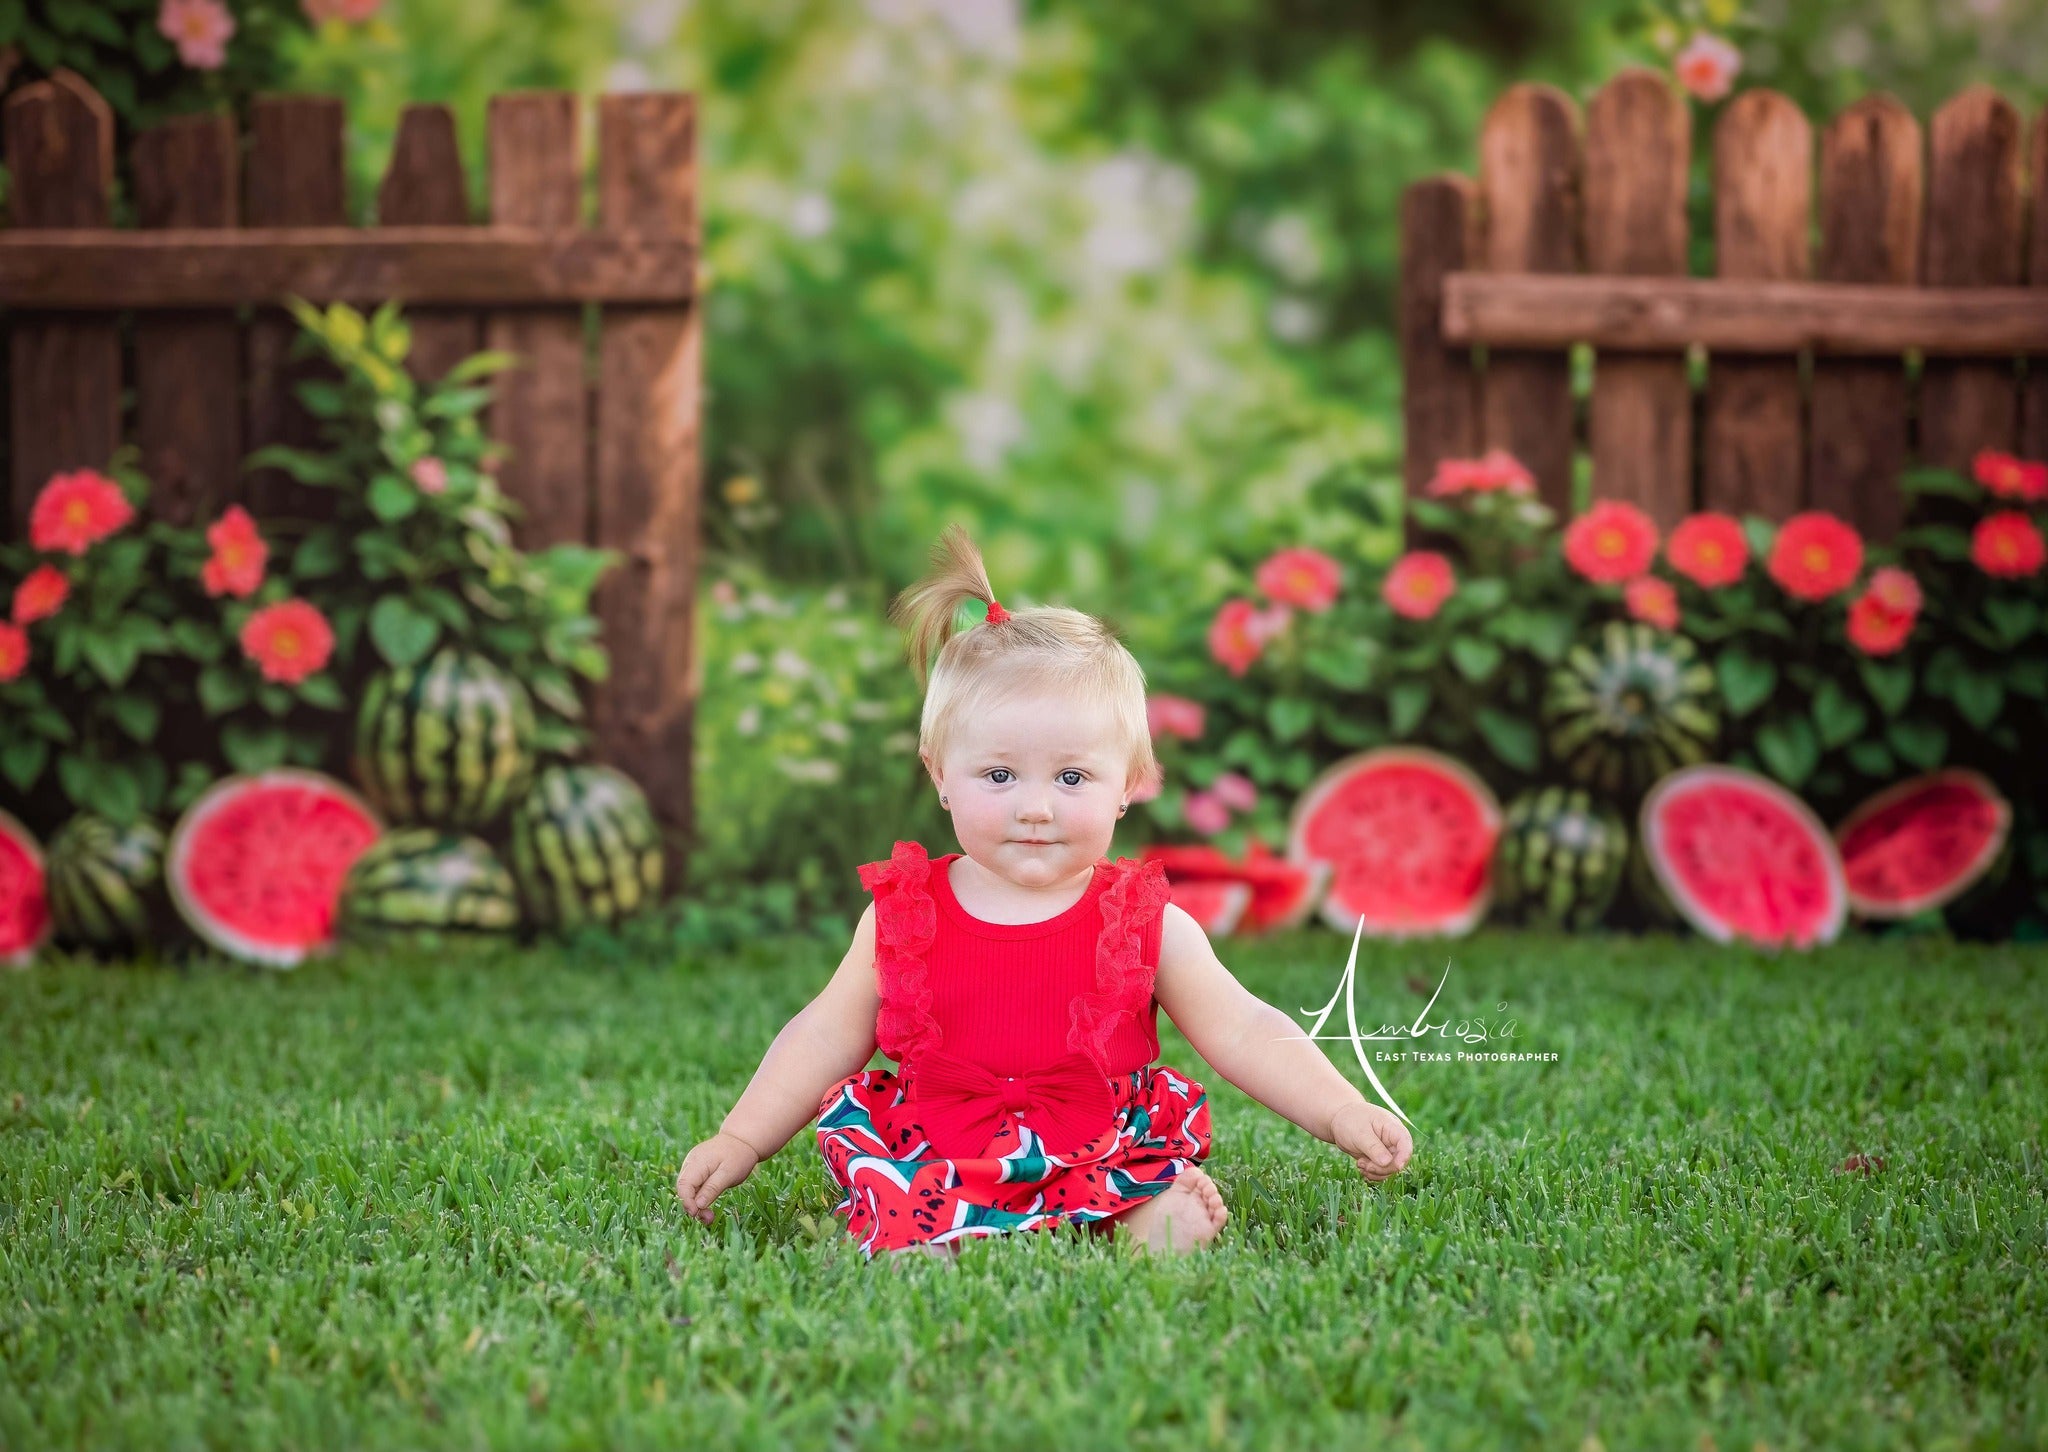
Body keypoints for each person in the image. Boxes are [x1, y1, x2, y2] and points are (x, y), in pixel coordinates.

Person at [675, 524, 1413, 1260]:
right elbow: (826, 1033)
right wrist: (743, 1134)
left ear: (1126, 786)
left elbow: (1244, 1029)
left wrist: (1340, 1110)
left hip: (1094, 1137)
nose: (1036, 807)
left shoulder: (1145, 921)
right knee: (900, 1191)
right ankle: (931, 1231)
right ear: (939, 775)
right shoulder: (904, 913)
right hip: (941, 1138)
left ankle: (1138, 1220)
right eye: (999, 776)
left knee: (1126, 1173)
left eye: (1071, 777)